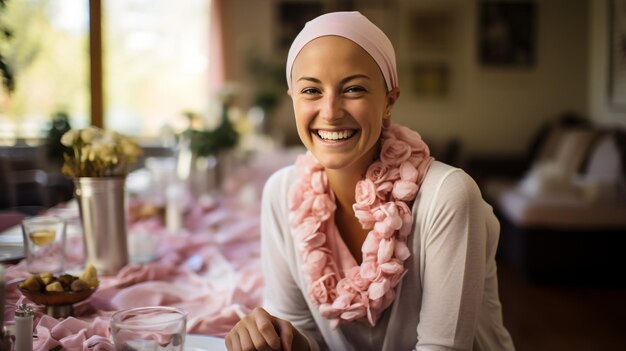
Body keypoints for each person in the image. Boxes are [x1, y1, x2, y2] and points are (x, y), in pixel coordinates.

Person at [226, 11, 515, 351]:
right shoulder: (280, 192)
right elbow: (303, 333)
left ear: (390, 99)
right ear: (293, 98)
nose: (330, 111)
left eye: (354, 89)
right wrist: (275, 340)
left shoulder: (448, 195)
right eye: (311, 91)